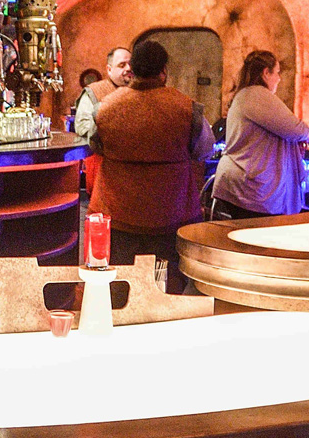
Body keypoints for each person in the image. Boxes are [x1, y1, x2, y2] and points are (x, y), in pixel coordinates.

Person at [90, 40, 218, 290]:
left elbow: (96, 145)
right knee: (166, 286)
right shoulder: (187, 108)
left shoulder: (105, 107)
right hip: (171, 214)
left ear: (133, 70)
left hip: (119, 215)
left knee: (120, 283)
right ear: (164, 71)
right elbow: (204, 150)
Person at [209, 50, 309, 219]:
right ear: (266, 73)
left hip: (238, 182)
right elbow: (295, 129)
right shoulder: (257, 95)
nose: (279, 79)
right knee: (253, 234)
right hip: (250, 187)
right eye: (277, 72)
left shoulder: (245, 94)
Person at [72, 46, 132, 145]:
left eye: (130, 64)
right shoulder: (94, 91)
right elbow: (82, 127)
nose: (128, 68)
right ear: (109, 69)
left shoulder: (139, 91)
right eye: (122, 65)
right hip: (105, 152)